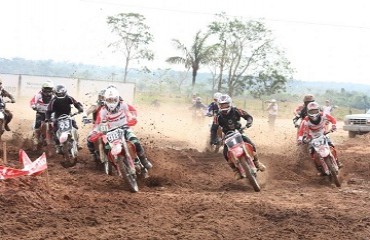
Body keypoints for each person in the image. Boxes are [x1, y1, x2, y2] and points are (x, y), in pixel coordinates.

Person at [93, 87, 152, 170]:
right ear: (105, 100)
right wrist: (96, 131)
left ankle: (143, 160)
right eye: (109, 100)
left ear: (117, 99)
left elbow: (133, 110)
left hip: (124, 128)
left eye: (113, 100)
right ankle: (116, 166)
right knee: (107, 148)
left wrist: (133, 117)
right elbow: (98, 122)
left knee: (135, 142)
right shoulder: (103, 110)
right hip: (111, 132)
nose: (111, 102)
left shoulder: (123, 104)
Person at [210, 94, 266, 180]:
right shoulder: (217, 116)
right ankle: (235, 170)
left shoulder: (236, 110)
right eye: (221, 104)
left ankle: (257, 162)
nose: (223, 106)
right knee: (225, 153)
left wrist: (249, 122)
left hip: (239, 132)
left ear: (229, 103)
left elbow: (248, 116)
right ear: (219, 105)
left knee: (250, 143)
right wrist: (214, 139)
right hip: (227, 135)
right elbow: (213, 129)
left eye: (225, 104)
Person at [297, 101, 343, 173]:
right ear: (308, 112)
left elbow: (333, 119)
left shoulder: (323, 115)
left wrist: (334, 126)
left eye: (315, 111)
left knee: (331, 145)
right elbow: (300, 131)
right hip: (312, 137)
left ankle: (337, 162)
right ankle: (319, 169)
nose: (314, 113)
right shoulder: (305, 120)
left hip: (323, 133)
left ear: (318, 110)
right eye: (311, 111)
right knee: (312, 152)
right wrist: (300, 139)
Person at [45, 84, 85, 154]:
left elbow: (76, 103)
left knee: (75, 127)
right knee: (55, 130)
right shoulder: (53, 100)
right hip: (57, 118)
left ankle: (77, 143)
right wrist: (48, 118)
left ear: (65, 92)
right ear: (55, 93)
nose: (60, 94)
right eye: (59, 93)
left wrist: (80, 108)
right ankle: (57, 145)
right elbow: (48, 110)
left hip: (68, 116)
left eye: (62, 93)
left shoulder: (69, 98)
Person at [29, 80, 54, 145]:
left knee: (57, 123)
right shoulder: (38, 95)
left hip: (51, 113)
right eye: (46, 89)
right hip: (41, 112)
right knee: (38, 123)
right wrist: (33, 106)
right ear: (43, 89)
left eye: (49, 89)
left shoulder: (55, 95)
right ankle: (36, 137)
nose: (48, 91)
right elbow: (32, 101)